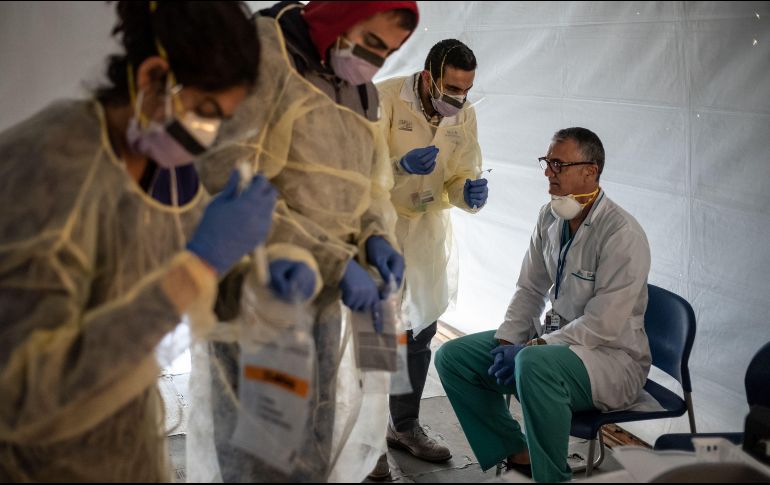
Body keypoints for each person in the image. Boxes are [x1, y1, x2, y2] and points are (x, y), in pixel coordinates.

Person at [0, 1, 303, 481]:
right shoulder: (48, 167)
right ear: (152, 77)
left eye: (221, 120)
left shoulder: (169, 167)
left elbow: (176, 285)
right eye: (205, 111)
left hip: (128, 439)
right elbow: (28, 397)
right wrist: (202, 263)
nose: (207, 137)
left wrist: (250, 281)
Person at [188, 1, 419, 482]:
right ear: (342, 13)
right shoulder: (265, 52)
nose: (375, 61)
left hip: (325, 296)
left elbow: (370, 184)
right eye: (371, 42)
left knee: (314, 435)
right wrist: (334, 260)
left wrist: (375, 236)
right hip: (260, 289)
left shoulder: (360, 89)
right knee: (260, 447)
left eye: (388, 52)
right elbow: (230, 176)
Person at [434, 127, 652, 483]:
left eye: (558, 164)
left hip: (612, 360)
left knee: (533, 363)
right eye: (547, 163)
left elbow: (603, 324)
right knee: (453, 358)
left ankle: (552, 477)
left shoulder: (621, 234)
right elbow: (530, 288)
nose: (549, 172)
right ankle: (518, 453)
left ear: (590, 171)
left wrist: (533, 346)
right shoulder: (550, 217)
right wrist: (508, 341)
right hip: (555, 345)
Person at [372, 39, 487, 478]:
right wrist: (400, 167)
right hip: (378, 229)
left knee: (418, 333)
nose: (458, 99)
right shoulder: (383, 98)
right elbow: (357, 171)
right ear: (427, 77)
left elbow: (460, 174)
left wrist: (467, 194)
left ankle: (403, 426)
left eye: (466, 89)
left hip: (424, 233)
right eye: (451, 88)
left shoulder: (464, 113)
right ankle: (366, 441)